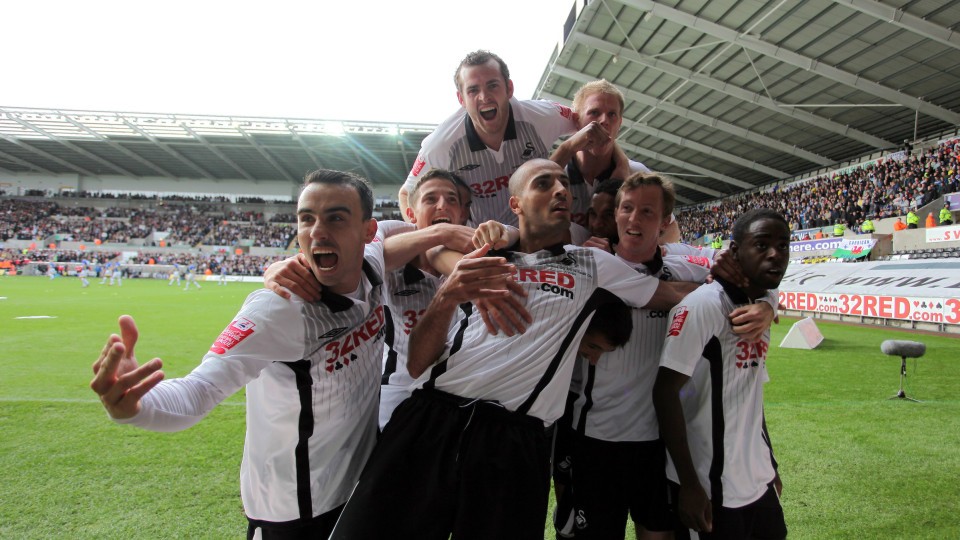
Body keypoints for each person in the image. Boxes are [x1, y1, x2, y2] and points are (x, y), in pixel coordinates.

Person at [330, 159, 701, 540]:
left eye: (563, 184)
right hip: (430, 416)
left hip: (512, 440)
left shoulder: (592, 265)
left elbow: (668, 293)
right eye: (544, 183)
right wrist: (447, 297)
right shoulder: (482, 257)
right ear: (516, 204)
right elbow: (418, 361)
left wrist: (743, 297)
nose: (560, 190)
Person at [89, 169, 389, 539]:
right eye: (306, 218)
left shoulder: (374, 267)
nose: (317, 231)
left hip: (357, 488)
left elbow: (399, 232)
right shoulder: (278, 310)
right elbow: (199, 389)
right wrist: (136, 407)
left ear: (367, 231)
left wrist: (443, 233)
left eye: (336, 218)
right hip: (294, 510)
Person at [559, 174, 775, 540]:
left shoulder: (687, 261)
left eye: (647, 211)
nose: (633, 219)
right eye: (626, 209)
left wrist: (769, 304)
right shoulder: (590, 266)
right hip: (597, 441)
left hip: (660, 447)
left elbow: (755, 266)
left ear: (664, 222)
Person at [653, 208, 791, 540]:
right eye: (761, 245)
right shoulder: (703, 306)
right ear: (734, 251)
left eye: (783, 246)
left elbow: (751, 393)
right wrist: (689, 484)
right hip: (710, 486)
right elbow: (665, 392)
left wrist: (768, 462)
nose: (775, 254)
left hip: (757, 483)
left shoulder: (758, 311)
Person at [398, 50, 580, 227]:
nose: (484, 97)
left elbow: (587, 120)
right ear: (461, 99)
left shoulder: (542, 117)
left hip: (535, 234)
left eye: (492, 85)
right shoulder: (441, 144)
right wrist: (424, 238)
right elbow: (406, 193)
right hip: (480, 242)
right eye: (473, 90)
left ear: (509, 88)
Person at [549, 79, 648, 228]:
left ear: (619, 123)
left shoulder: (636, 174)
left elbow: (671, 232)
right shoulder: (557, 172)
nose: (604, 121)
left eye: (612, 114)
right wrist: (568, 147)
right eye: (594, 112)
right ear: (577, 120)